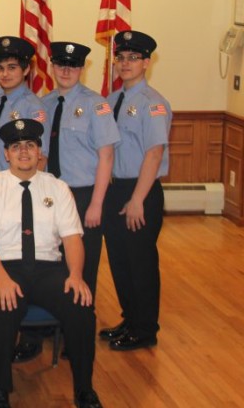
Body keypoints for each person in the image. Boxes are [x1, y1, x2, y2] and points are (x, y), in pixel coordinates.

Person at [0, 119, 101, 408]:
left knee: (81, 307)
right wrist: (2, 279)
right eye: (16, 147)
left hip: (48, 269)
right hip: (5, 267)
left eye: (30, 145)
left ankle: (84, 390)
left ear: (40, 150)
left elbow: (72, 240)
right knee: (3, 307)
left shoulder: (58, 188)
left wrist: (77, 276)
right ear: (6, 154)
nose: (24, 152)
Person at [12, 42, 120, 364]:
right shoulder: (43, 104)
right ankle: (34, 335)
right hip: (48, 194)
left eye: (72, 65)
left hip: (84, 194)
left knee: (82, 267)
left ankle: (77, 335)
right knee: (42, 260)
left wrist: (97, 203)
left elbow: (106, 156)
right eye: (60, 64)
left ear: (81, 68)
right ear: (52, 66)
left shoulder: (96, 105)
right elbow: (38, 155)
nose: (66, 70)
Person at [100, 31, 171, 352]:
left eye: (133, 58)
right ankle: (130, 319)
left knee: (140, 262)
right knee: (119, 260)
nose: (125, 63)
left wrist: (137, 200)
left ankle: (145, 329)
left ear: (147, 62)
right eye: (121, 57)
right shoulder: (113, 101)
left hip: (140, 191)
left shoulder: (153, 104)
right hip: (116, 189)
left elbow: (153, 154)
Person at [0, 36, 49, 185]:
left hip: (18, 186)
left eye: (12, 68)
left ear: (26, 70)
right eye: (0, 68)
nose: (5, 74)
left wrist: (26, 189)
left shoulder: (33, 107)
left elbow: (41, 157)